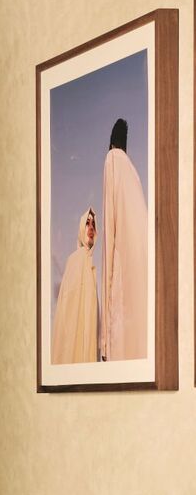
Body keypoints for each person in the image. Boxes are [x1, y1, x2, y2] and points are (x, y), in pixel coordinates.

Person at [100, 118, 148, 362]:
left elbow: (109, 227)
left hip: (123, 269)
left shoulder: (112, 161)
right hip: (142, 272)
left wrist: (104, 340)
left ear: (111, 144)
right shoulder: (134, 173)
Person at [52, 208, 99, 364]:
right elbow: (67, 311)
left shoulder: (90, 264)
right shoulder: (75, 260)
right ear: (81, 228)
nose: (91, 228)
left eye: (93, 224)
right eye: (87, 223)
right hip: (74, 344)